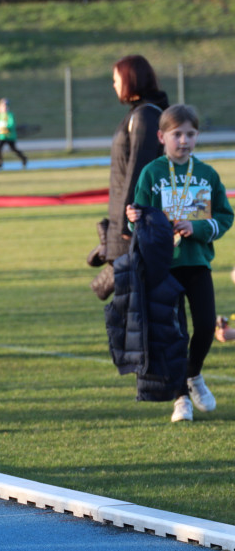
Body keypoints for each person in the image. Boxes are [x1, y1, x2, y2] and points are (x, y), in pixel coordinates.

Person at [126, 104, 233, 422]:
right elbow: (138, 221)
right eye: (177, 134)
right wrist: (134, 219)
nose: (184, 140)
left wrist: (196, 227)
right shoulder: (152, 173)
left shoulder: (207, 174)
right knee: (175, 334)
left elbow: (225, 216)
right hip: (163, 266)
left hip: (197, 262)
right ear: (162, 136)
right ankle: (180, 399)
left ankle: (194, 374)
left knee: (204, 326)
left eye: (190, 134)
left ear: (197, 136)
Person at [107, 55, 169, 264]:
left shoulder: (145, 116)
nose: (114, 84)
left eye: (117, 79)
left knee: (136, 292)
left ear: (130, 79)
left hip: (135, 223)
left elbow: (139, 170)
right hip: (127, 219)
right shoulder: (138, 114)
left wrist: (127, 223)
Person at [0, 98, 27, 169]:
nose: (4, 108)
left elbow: (11, 124)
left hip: (10, 136)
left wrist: (5, 128)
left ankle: (24, 158)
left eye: (5, 106)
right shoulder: (0, 115)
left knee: (13, 149)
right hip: (2, 136)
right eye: (3, 106)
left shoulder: (10, 115)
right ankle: (0, 162)